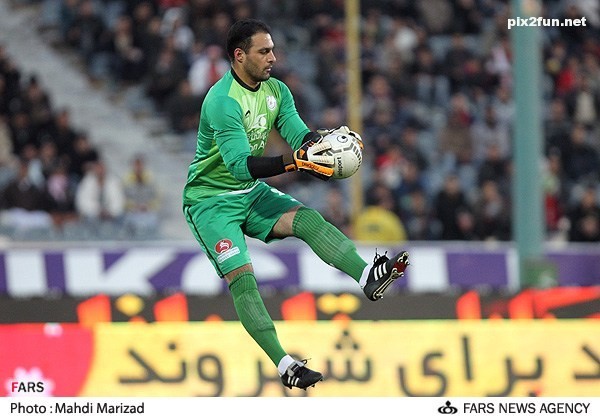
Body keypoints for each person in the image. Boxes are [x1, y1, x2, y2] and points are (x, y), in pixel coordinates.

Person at [182, 19, 410, 391]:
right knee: (244, 279)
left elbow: (296, 132)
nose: (273, 57)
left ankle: (367, 276)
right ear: (239, 56)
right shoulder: (222, 101)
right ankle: (284, 363)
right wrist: (294, 162)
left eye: (272, 49)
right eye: (263, 51)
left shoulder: (277, 90)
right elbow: (239, 166)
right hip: (210, 201)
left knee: (307, 220)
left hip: (249, 192)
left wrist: (318, 147)